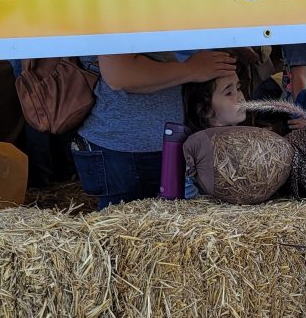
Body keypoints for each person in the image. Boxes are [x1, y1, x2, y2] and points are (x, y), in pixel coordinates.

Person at [72, 50, 237, 207]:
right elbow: (119, 75)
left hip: (142, 146)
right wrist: (192, 69)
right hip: (123, 149)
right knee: (127, 231)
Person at [182, 73, 248, 133]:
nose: (241, 98)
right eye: (229, 93)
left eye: (238, 89)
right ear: (206, 110)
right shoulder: (204, 143)